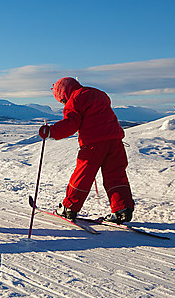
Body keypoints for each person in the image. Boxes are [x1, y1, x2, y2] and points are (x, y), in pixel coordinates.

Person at [39, 77, 134, 223]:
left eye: (63, 101)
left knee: (82, 175)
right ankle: (122, 209)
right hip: (116, 141)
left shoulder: (76, 98)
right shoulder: (99, 94)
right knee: (116, 174)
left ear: (65, 93)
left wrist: (51, 131)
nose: (65, 104)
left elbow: (71, 124)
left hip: (94, 144)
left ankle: (69, 208)